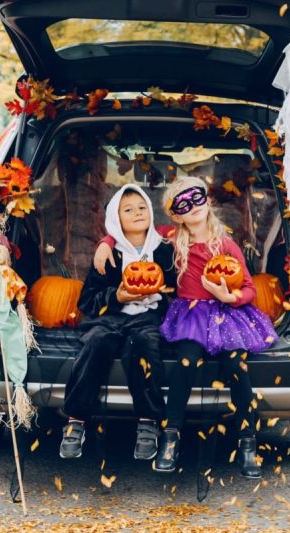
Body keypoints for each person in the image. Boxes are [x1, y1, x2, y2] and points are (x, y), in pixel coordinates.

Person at [94, 176, 277, 479]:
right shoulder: (171, 238)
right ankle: (171, 435)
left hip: (226, 314)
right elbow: (137, 231)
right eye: (183, 203)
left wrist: (227, 296)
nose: (193, 206)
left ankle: (247, 442)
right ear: (175, 214)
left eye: (197, 198)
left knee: (236, 364)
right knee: (186, 362)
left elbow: (249, 289)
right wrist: (107, 242)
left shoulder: (226, 244)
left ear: (208, 202)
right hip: (190, 317)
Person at [59, 184, 176, 461]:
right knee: (95, 342)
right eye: (128, 210)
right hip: (110, 316)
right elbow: (87, 301)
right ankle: (76, 420)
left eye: (142, 207)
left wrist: (162, 297)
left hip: (148, 318)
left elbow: (178, 292)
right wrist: (117, 295)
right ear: (115, 218)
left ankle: (148, 421)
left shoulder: (166, 250)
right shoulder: (110, 254)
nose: (137, 213)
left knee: (144, 345)